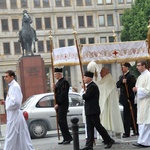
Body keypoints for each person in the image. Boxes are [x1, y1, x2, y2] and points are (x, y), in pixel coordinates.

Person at [80, 71, 114, 150]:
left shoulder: (93, 86)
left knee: (98, 126)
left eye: (85, 77)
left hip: (93, 110)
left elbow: (86, 96)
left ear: (89, 78)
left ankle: (109, 140)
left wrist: (84, 93)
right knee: (89, 128)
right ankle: (89, 145)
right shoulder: (88, 86)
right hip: (89, 110)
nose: (83, 79)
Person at [3, 70, 34, 150]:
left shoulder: (15, 86)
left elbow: (16, 103)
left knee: (11, 136)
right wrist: (6, 102)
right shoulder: (12, 86)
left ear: (12, 77)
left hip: (14, 116)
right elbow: (12, 100)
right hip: (13, 115)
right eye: (4, 76)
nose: (5, 78)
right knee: (21, 136)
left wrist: (8, 104)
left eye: (6, 76)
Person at [97, 67, 124, 136]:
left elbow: (103, 89)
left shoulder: (109, 80)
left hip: (108, 102)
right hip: (105, 101)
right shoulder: (104, 79)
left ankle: (108, 135)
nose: (100, 73)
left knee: (109, 117)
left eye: (101, 72)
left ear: (106, 72)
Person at [132, 60, 150, 147]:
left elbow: (148, 90)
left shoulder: (148, 75)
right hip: (141, 102)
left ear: (144, 66)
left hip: (147, 102)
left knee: (146, 122)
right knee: (142, 122)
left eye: (139, 65)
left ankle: (145, 142)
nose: (137, 67)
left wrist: (138, 89)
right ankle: (141, 140)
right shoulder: (140, 77)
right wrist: (136, 89)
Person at [116, 62, 137, 138]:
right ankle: (127, 131)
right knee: (126, 116)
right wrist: (122, 82)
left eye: (123, 67)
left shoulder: (131, 76)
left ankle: (132, 131)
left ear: (127, 68)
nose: (122, 68)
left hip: (129, 99)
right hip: (124, 99)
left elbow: (132, 88)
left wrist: (130, 98)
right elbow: (117, 85)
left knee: (130, 116)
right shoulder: (122, 76)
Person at [53, 67, 73, 145]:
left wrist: (58, 103)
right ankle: (65, 138)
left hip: (63, 104)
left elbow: (63, 94)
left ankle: (68, 137)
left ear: (59, 74)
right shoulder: (58, 83)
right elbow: (57, 93)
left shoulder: (64, 82)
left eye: (55, 74)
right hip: (59, 104)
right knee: (60, 121)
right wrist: (54, 88)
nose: (55, 76)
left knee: (62, 121)